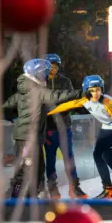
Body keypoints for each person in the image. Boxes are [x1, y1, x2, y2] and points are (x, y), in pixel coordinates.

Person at [47, 75, 112, 199]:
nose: (95, 93)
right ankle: (110, 190)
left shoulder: (107, 102)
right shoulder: (84, 100)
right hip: (106, 125)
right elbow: (67, 105)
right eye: (92, 90)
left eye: (98, 90)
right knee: (99, 155)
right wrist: (46, 114)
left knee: (105, 155)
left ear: (102, 90)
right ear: (86, 91)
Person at [3, 58, 82, 199]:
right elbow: (57, 96)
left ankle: (31, 196)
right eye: (45, 71)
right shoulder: (36, 89)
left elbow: (8, 104)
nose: (48, 73)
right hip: (28, 137)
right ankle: (14, 198)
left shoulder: (29, 87)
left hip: (36, 136)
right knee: (26, 169)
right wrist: (81, 94)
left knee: (38, 169)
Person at [41, 53, 86, 199]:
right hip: (48, 128)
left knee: (69, 157)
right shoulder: (41, 83)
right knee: (50, 159)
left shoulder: (65, 82)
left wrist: (80, 106)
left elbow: (71, 98)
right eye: (50, 66)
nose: (53, 69)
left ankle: (75, 187)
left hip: (64, 127)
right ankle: (52, 187)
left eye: (55, 66)